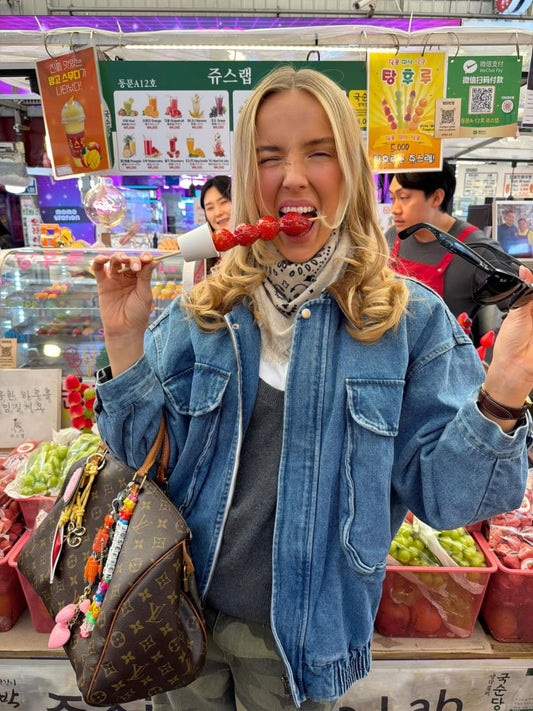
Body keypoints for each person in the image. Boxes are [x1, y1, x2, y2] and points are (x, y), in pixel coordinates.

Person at [92, 66, 533, 710]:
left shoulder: (408, 320)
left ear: (349, 172)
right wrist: (124, 338)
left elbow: (450, 499)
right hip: (179, 615)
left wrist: (505, 387)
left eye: (318, 154)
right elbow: (140, 460)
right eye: (269, 158)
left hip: (302, 638)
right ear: (248, 179)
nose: (293, 177)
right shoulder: (203, 313)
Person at [386, 162, 509, 345]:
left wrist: (497, 350)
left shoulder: (477, 249)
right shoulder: (392, 236)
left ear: (436, 198)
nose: (394, 209)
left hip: (446, 360)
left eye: (403, 198)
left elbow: (523, 307)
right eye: (392, 198)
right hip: (393, 353)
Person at [196, 174, 232, 277]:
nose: (218, 213)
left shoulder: (260, 248)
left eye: (223, 202)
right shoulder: (207, 254)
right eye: (210, 208)